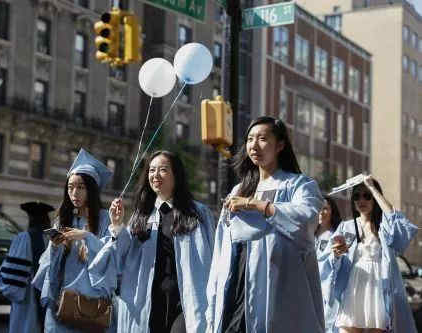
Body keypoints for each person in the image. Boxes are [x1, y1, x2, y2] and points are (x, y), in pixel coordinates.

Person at [207, 116, 325, 333]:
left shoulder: (299, 184)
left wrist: (258, 206)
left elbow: (306, 218)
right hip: (239, 278)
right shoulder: (239, 190)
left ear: (280, 145)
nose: (254, 145)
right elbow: (222, 244)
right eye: (250, 139)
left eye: (262, 138)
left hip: (280, 283)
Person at [89, 150, 215, 333]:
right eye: (151, 170)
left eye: (163, 170)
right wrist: (117, 226)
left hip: (186, 302)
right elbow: (121, 259)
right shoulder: (141, 216)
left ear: (176, 175)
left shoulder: (197, 214)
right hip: (147, 303)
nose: (155, 175)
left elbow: (212, 258)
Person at [32, 148, 115, 333]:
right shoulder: (63, 219)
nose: (74, 193)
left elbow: (111, 256)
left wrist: (86, 237)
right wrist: (54, 247)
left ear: (91, 189)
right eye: (70, 187)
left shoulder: (104, 219)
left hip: (91, 304)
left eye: (80, 187)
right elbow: (47, 264)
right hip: (61, 302)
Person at [324, 175, 418, 333]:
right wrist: (336, 254)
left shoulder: (384, 228)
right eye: (357, 196)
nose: (362, 200)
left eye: (367, 196)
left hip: (378, 290)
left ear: (374, 199)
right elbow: (328, 261)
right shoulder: (345, 227)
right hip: (352, 289)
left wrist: (373, 188)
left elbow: (398, 222)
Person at [0, 201, 55, 333]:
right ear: (46, 220)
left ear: (31, 219)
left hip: (28, 302)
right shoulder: (55, 238)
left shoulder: (23, 238)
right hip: (51, 301)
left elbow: (12, 283)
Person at [314, 196, 342, 332]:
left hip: (327, 289)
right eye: (319, 208)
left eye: (325, 209)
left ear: (332, 212)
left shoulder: (336, 236)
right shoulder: (309, 234)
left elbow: (336, 262)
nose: (321, 212)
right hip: (309, 286)